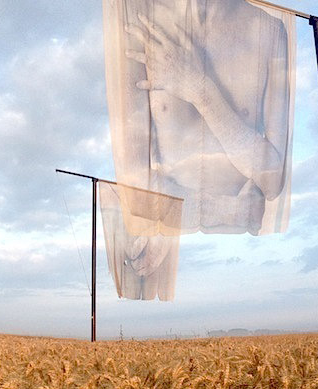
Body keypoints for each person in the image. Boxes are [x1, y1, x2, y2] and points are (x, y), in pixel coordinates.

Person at [106, 0, 294, 235]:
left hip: (239, 254)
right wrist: (229, 211)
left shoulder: (269, 32)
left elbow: (272, 181)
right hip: (176, 247)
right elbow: (134, 191)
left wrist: (200, 90)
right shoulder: (141, 20)